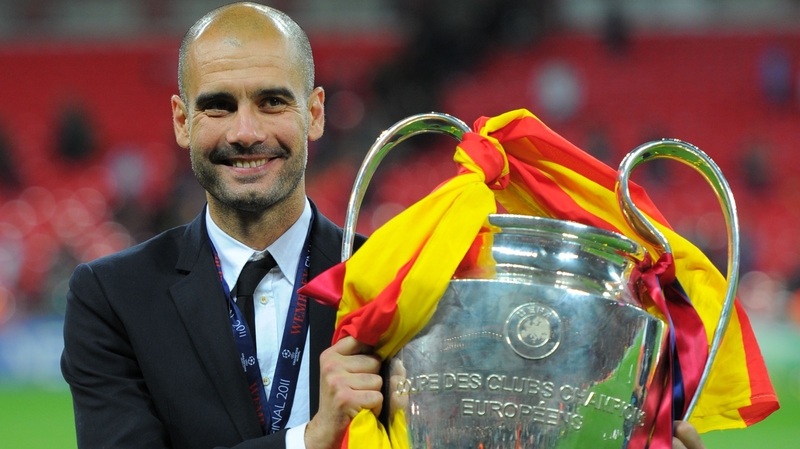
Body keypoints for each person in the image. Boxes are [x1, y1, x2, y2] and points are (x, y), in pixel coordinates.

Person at [61, 2, 704, 449]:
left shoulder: (408, 287)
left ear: (315, 113)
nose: (246, 132)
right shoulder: (112, 297)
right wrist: (310, 439)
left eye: (272, 101)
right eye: (218, 106)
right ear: (181, 121)